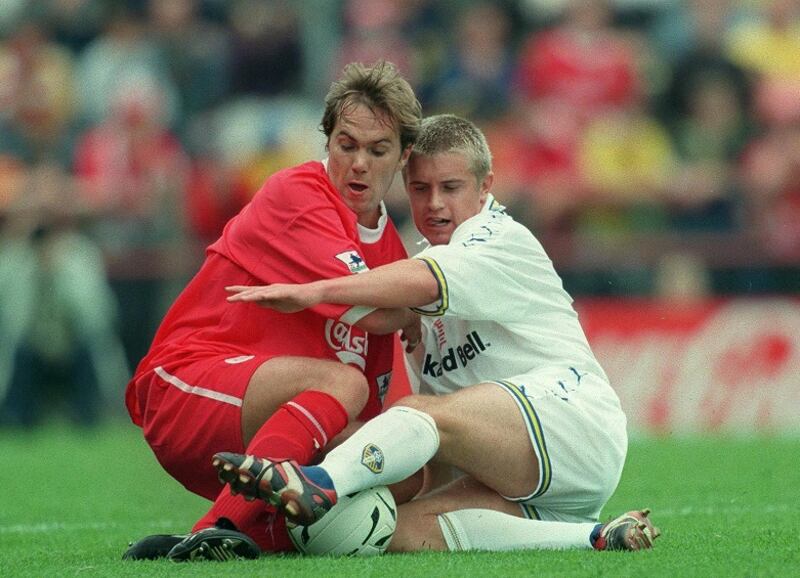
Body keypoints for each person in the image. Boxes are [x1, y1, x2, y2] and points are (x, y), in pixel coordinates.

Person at [219, 114, 660, 553]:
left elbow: (422, 281)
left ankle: (322, 482)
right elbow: (444, 446)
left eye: (450, 188)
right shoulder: (426, 270)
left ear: (485, 185)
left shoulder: (496, 237)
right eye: (420, 189)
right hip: (528, 472)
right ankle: (597, 536)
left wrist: (313, 291)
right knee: (402, 531)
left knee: (423, 411)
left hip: (573, 424)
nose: (434, 204)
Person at [122, 60, 422, 561]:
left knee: (399, 464)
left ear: (403, 155)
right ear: (326, 142)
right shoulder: (298, 193)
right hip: (185, 383)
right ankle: (215, 526)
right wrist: (418, 309)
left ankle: (252, 536)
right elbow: (372, 308)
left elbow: (371, 399)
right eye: (346, 145)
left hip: (267, 425)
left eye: (378, 150)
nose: (360, 163)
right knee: (340, 384)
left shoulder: (391, 254)